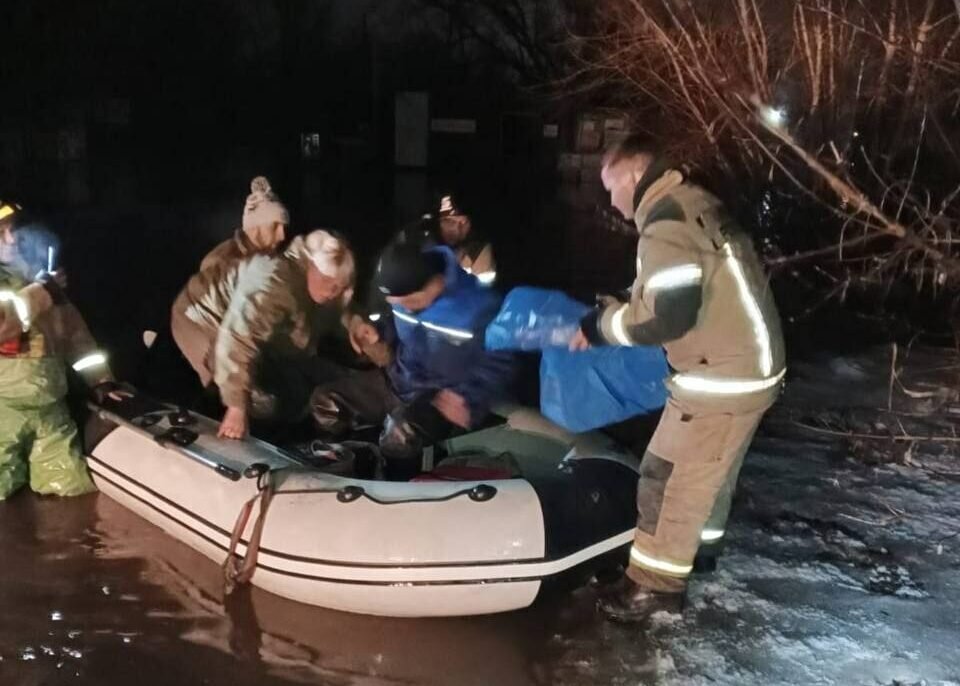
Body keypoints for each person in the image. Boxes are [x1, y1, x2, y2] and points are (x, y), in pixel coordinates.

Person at [570, 135, 786, 621]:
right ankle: (698, 555)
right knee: (710, 473)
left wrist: (602, 327)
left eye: (609, 188)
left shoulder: (663, 225)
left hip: (721, 377)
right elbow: (676, 283)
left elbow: (667, 319)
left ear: (630, 176)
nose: (610, 200)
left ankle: (654, 587)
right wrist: (623, 299)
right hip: (751, 366)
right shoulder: (691, 202)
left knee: (666, 477)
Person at [311, 244, 515, 479]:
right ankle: (341, 468)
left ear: (432, 284)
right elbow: (395, 326)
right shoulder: (402, 297)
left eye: (407, 301)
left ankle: (396, 492)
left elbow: (503, 362)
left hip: (440, 398)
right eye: (395, 302)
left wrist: (470, 396)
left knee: (399, 434)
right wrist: (374, 332)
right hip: (399, 378)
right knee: (324, 402)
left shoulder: (480, 306)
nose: (401, 306)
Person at [171, 229, 355, 439]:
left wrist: (354, 324)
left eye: (340, 288)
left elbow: (336, 310)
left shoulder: (318, 284)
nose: (334, 293)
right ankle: (220, 423)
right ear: (313, 269)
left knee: (300, 385)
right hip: (204, 321)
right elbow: (237, 338)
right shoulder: (273, 282)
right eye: (332, 286)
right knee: (264, 401)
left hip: (249, 331)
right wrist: (236, 407)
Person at [1, 200, 112, 500]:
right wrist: (43, 292)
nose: (12, 238)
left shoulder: (42, 285)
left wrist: (102, 382)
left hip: (50, 407)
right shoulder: (39, 289)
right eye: (2, 232)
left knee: (72, 489)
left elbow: (77, 340)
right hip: (3, 410)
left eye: (14, 229)